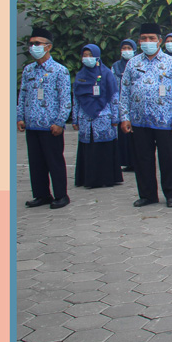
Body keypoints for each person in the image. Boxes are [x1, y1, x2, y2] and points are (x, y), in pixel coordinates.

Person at [119, 23, 172, 208]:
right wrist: (124, 117)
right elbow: (124, 92)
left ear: (159, 41)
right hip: (140, 120)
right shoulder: (133, 63)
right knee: (142, 159)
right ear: (139, 41)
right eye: (144, 38)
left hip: (165, 120)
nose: (147, 41)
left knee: (169, 158)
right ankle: (147, 195)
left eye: (151, 38)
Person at [17, 26, 72, 209]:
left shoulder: (59, 70)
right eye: (31, 44)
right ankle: (41, 195)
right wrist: (20, 117)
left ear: (48, 47)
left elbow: (65, 99)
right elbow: (23, 95)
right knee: (36, 163)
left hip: (51, 126)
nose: (33, 47)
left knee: (54, 161)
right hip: (32, 124)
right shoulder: (29, 70)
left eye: (37, 43)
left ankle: (61, 195)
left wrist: (60, 122)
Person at [72, 43, 122, 189]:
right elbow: (76, 99)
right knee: (88, 149)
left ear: (97, 56)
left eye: (90, 55)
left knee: (104, 149)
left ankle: (106, 178)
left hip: (104, 117)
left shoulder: (106, 74)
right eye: (85, 55)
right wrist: (75, 118)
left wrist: (115, 117)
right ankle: (89, 179)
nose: (87, 58)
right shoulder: (80, 76)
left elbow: (114, 96)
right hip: (85, 119)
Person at [111, 38, 138, 172]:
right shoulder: (116, 66)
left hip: (135, 104)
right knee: (124, 135)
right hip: (121, 103)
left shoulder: (137, 64)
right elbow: (112, 85)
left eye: (129, 48)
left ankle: (136, 162)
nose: (126, 51)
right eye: (124, 48)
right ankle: (126, 162)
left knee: (136, 136)